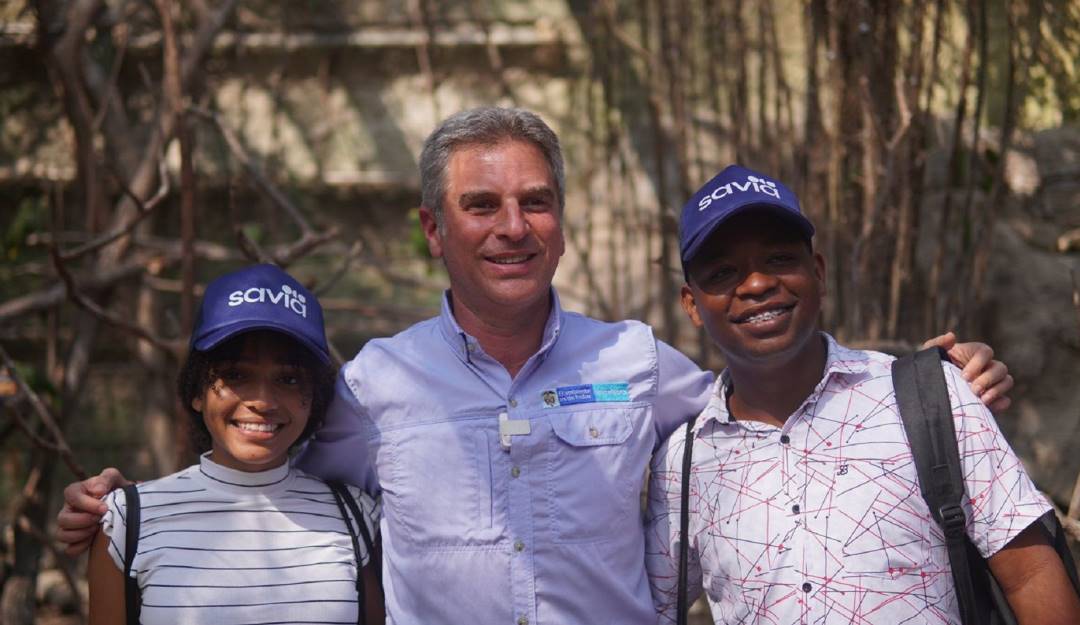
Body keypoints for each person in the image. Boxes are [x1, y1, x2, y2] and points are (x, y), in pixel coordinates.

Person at [62, 108, 1012, 624]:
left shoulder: (639, 362)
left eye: (536, 201)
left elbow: (768, 394)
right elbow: (258, 458)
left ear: (562, 220)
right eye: (481, 205)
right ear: (434, 228)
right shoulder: (373, 385)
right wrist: (121, 508)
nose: (512, 228)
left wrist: (923, 377)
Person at [644, 165, 1080, 624]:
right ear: (692, 304)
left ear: (817, 272)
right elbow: (650, 609)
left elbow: (1030, 574)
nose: (756, 284)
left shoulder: (932, 398)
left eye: (778, 259)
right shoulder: (684, 463)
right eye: (724, 272)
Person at [86, 264, 384, 625]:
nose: (262, 400)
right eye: (236, 375)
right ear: (197, 390)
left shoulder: (356, 517)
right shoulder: (126, 522)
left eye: (288, 379)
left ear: (316, 396)